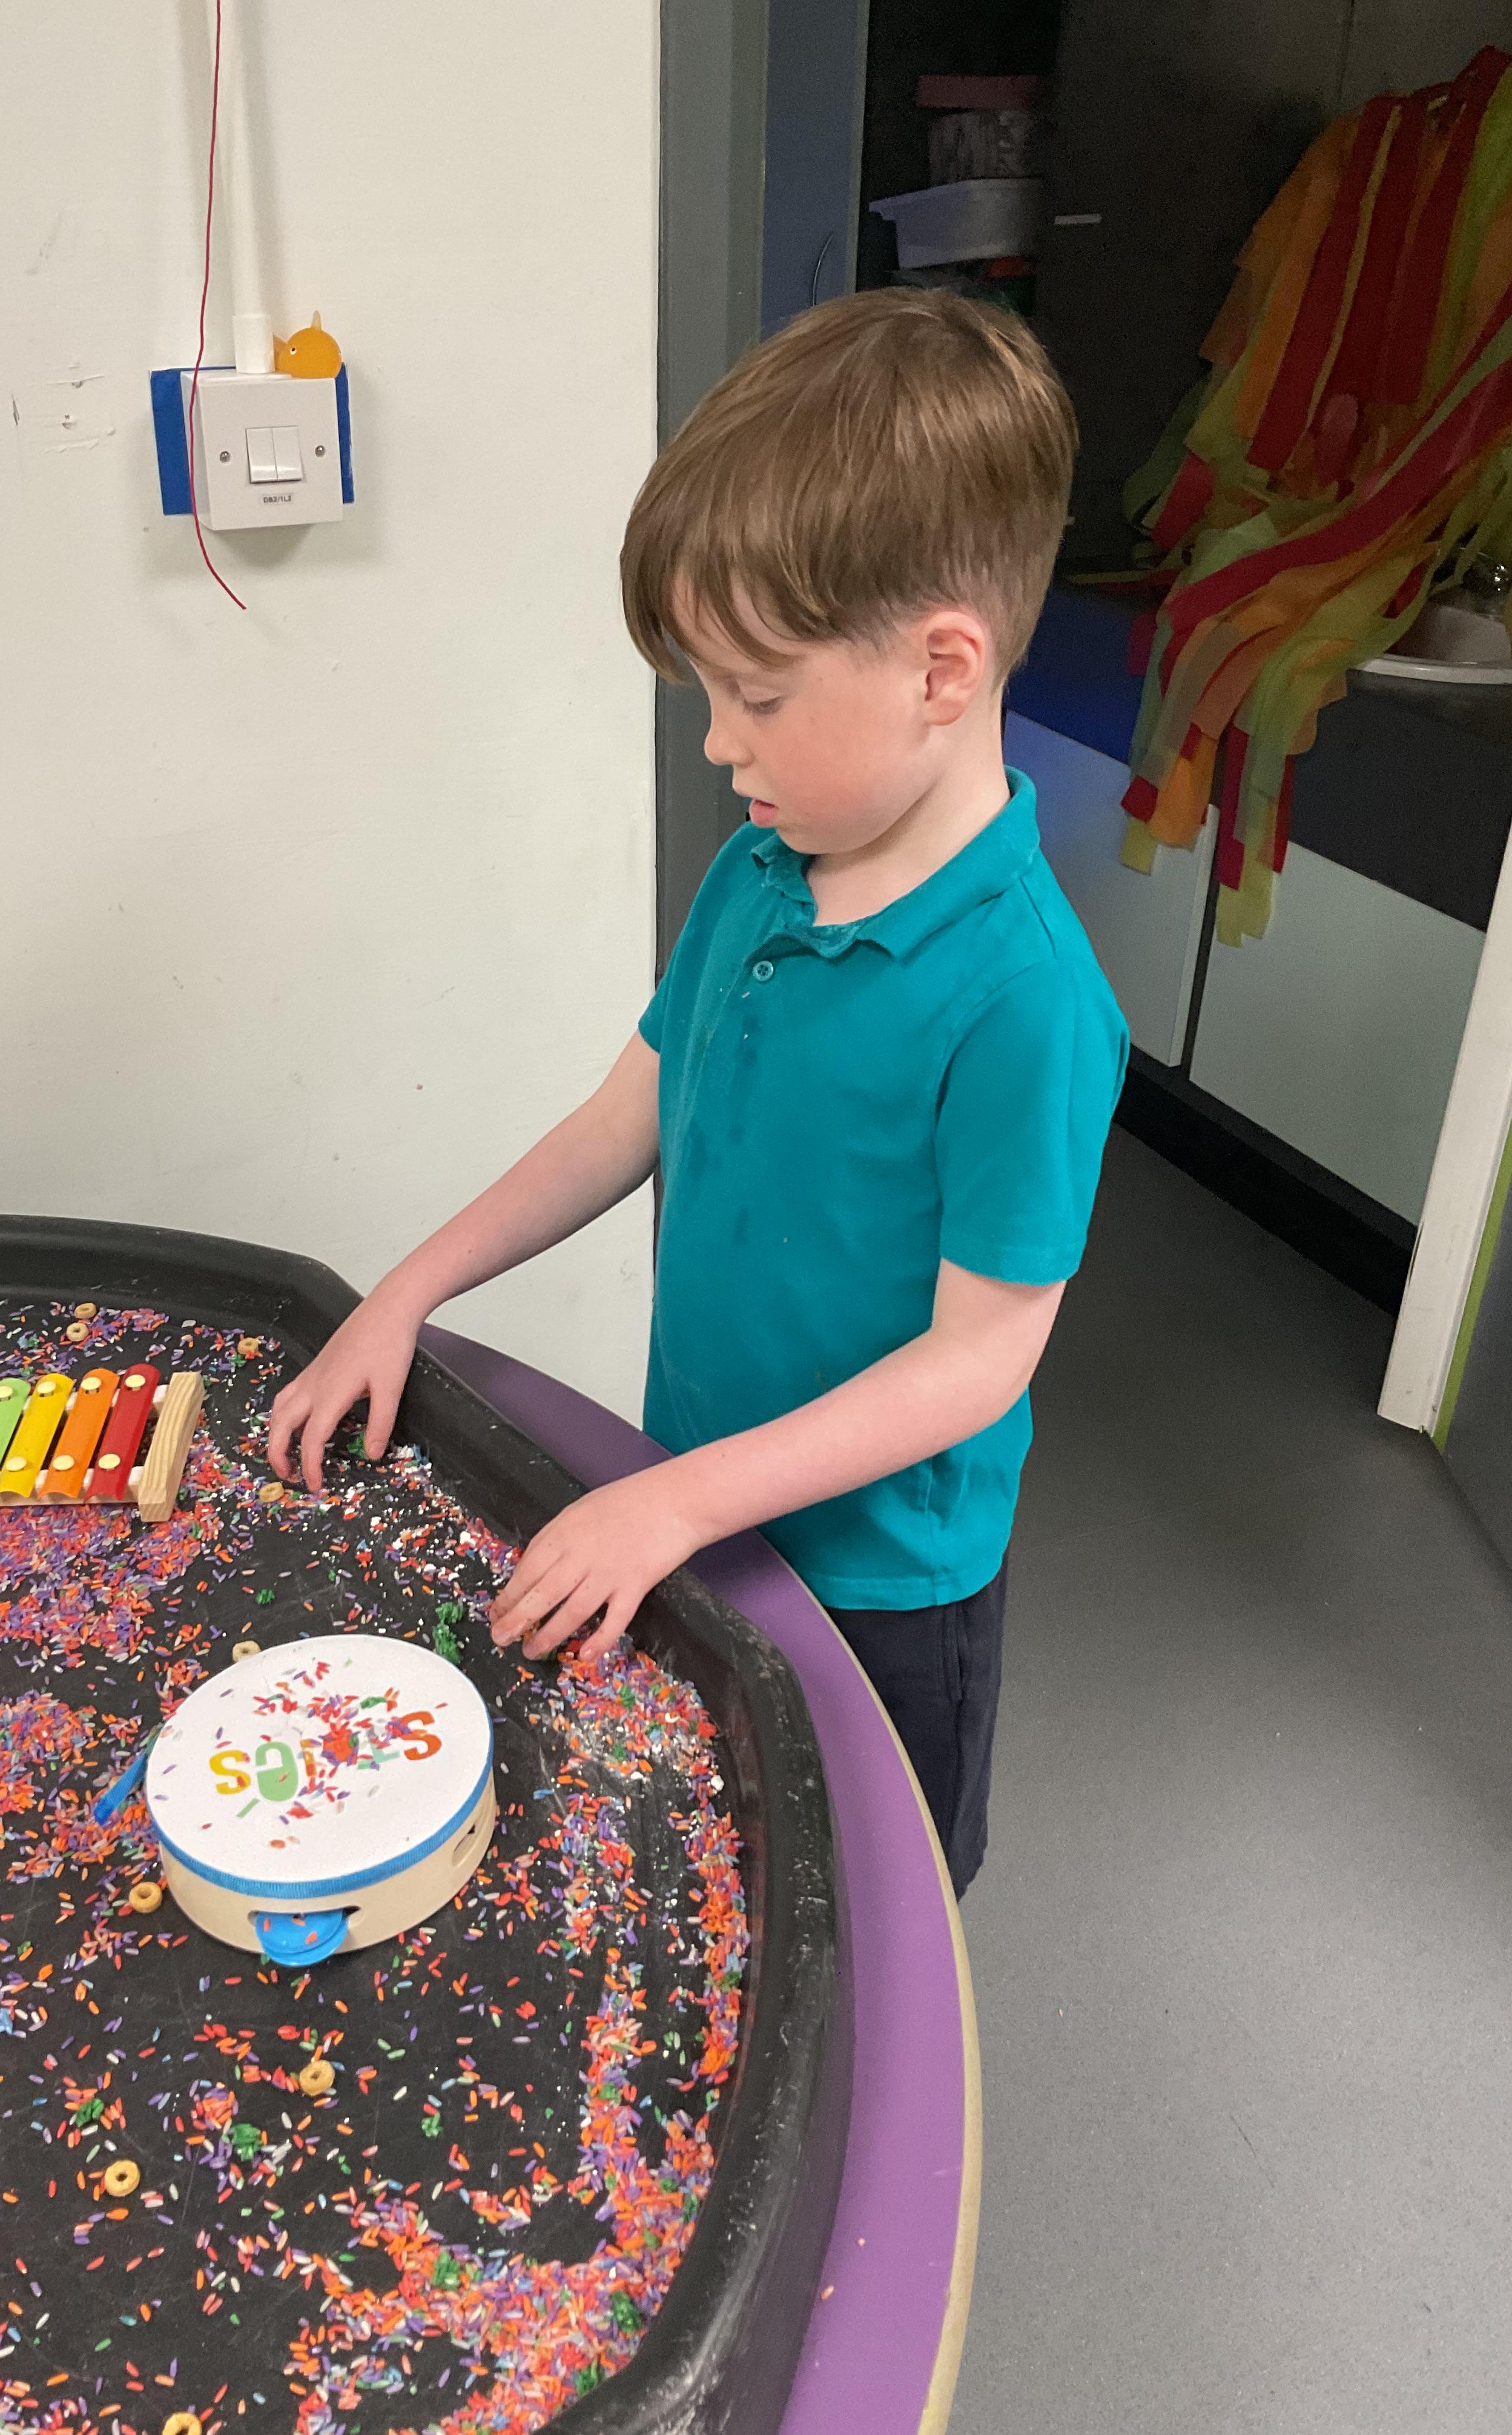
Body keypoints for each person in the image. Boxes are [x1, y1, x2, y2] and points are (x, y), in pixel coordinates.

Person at [267, 288, 1127, 1898]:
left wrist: (673, 1504)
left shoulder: (1028, 1001)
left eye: (761, 696)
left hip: (882, 1585)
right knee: (732, 1871)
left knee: (871, 1912)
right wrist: (406, 1292)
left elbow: (978, 1363)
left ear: (943, 668)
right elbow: (628, 1116)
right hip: (702, 1502)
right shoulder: (759, 873)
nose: (723, 745)